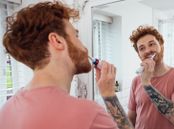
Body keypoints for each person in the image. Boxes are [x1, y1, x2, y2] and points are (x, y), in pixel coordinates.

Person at [0, 1, 133, 129]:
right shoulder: (87, 114)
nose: (83, 46)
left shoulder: (7, 110)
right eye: (76, 36)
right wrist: (109, 94)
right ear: (57, 41)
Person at [128, 25, 174, 129]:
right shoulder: (136, 81)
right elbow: (131, 117)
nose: (147, 50)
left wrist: (146, 84)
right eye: (142, 48)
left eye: (152, 44)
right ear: (139, 55)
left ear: (161, 45)